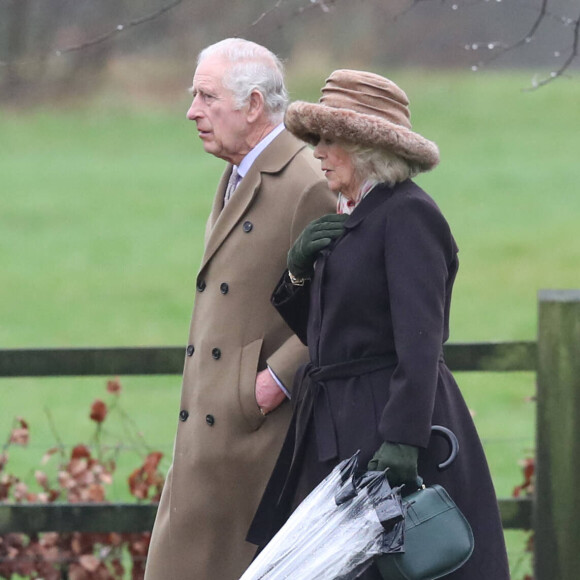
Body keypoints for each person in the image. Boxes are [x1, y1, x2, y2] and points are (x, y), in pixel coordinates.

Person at [247, 70, 510, 579]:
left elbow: (421, 343)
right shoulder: (353, 216)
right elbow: (328, 341)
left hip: (384, 430)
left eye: (328, 140)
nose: (317, 152)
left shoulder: (409, 215)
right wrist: (298, 274)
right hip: (332, 427)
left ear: (364, 146)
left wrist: (404, 440)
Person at [144, 39, 336, 580]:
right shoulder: (236, 170)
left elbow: (343, 304)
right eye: (194, 95)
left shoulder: (306, 182)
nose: (192, 111)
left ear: (253, 105)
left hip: (257, 445)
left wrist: (275, 378)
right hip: (209, 436)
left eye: (206, 97)